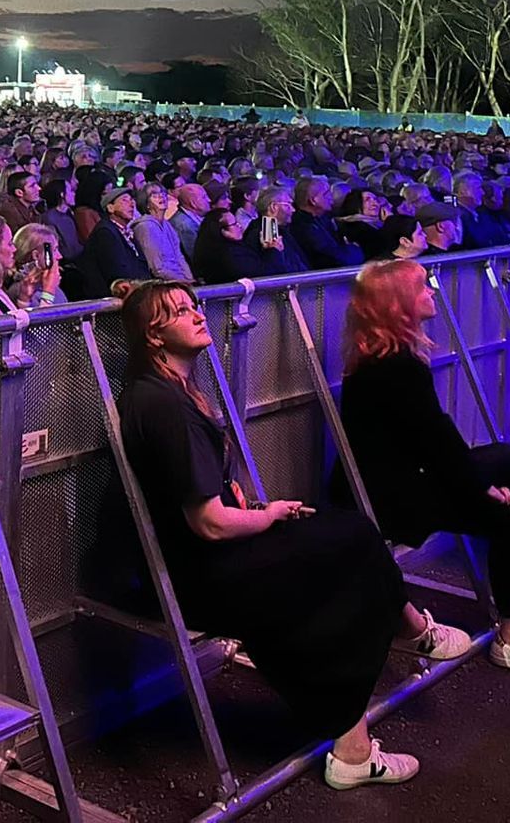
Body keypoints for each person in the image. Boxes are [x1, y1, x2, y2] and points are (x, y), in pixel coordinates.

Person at [115, 280, 464, 790]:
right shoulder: (164, 404)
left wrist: (252, 508)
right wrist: (270, 514)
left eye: (193, 305)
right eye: (179, 312)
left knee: (347, 535)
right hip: (195, 575)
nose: (196, 314)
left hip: (205, 559)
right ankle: (406, 642)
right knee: (350, 547)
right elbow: (208, 522)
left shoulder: (172, 390)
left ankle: (368, 715)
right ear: (153, 335)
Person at [335, 260, 510, 677]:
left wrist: (477, 483)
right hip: (388, 498)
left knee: (505, 459)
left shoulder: (385, 355)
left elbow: (434, 444)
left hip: (401, 479)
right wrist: (480, 490)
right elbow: (435, 446)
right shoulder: (396, 366)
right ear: (399, 303)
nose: (432, 292)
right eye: (423, 287)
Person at [72, 185, 152, 299]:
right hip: (114, 297)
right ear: (110, 208)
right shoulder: (105, 232)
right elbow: (117, 272)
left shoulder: (126, 231)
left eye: (131, 200)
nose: (131, 204)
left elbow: (141, 264)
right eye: (124, 200)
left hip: (137, 290)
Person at [288, 177, 363, 270]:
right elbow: (336, 258)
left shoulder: (321, 218)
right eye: (326, 193)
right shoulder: (306, 228)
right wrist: (355, 250)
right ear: (313, 200)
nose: (331, 196)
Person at [132, 184, 193, 282]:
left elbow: (179, 256)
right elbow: (157, 268)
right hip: (165, 284)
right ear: (146, 203)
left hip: (181, 280)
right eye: (154, 195)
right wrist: (183, 281)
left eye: (162, 193)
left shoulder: (167, 224)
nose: (161, 197)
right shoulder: (145, 227)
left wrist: (189, 278)